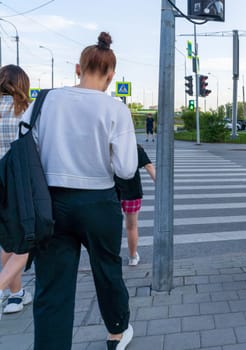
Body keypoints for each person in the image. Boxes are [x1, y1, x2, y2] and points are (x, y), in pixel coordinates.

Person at [21, 32, 138, 350]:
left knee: (52, 285)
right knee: (107, 269)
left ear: (78, 68)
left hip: (50, 202)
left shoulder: (44, 101)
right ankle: (116, 332)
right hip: (98, 202)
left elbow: (25, 148)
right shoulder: (116, 110)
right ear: (111, 76)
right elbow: (127, 169)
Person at [0, 65, 33, 318]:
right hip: (19, 183)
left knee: (6, 240)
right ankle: (8, 291)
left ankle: (16, 295)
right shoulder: (25, 112)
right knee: (25, 241)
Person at [115, 144, 156, 266]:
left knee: (111, 226)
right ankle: (133, 257)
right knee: (131, 227)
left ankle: (111, 257)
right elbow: (149, 166)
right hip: (132, 192)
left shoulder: (109, 146)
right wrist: (161, 184)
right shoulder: (135, 147)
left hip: (111, 192)